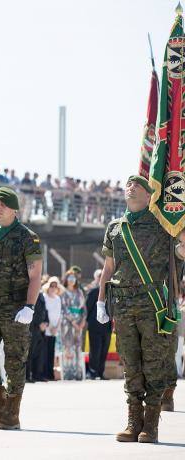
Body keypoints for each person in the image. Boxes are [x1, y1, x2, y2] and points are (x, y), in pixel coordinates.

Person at [98, 175, 184, 443]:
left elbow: (180, 253)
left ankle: (151, 423)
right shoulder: (115, 228)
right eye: (128, 184)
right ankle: (133, 420)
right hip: (123, 305)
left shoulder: (162, 224)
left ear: (150, 196)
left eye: (138, 185)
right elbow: (109, 268)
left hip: (152, 304)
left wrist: (180, 224)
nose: (131, 188)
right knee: (131, 364)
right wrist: (101, 301)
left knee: (154, 364)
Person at [0, 186, 42, 431]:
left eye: (2, 204)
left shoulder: (27, 237)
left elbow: (35, 276)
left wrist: (30, 307)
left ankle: (12, 412)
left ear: (14, 209)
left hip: (16, 307)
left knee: (15, 360)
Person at [59, 269, 86, 380]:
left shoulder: (80, 292)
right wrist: (73, 322)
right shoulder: (63, 292)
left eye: (73, 278)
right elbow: (64, 309)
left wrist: (83, 320)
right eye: (69, 278)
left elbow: (84, 308)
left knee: (78, 346)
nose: (71, 280)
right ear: (66, 280)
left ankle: (78, 372)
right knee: (68, 346)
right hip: (67, 323)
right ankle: (68, 373)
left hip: (79, 322)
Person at [86, 269, 111, 380]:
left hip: (107, 327)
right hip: (94, 326)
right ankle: (93, 372)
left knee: (104, 350)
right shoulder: (93, 292)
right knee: (95, 350)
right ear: (96, 279)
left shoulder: (110, 292)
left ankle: (101, 372)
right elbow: (88, 308)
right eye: (100, 276)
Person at [42, 277, 62, 381]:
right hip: (46, 329)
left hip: (55, 331)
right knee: (44, 353)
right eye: (51, 286)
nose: (53, 288)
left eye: (55, 286)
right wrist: (50, 327)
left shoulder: (58, 299)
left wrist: (56, 328)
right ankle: (44, 374)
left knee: (52, 353)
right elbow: (44, 313)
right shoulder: (44, 297)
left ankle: (50, 374)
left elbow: (59, 315)